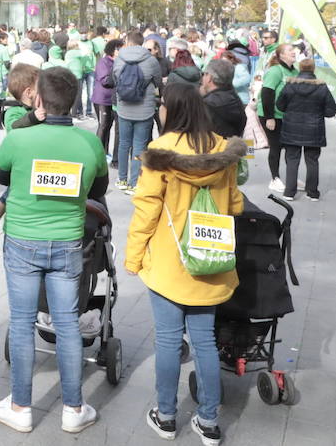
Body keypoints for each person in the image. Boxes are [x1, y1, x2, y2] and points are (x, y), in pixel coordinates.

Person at [0, 67, 107, 435]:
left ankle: (20, 406)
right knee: (68, 322)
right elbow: (98, 185)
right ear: (72, 100)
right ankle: (74, 408)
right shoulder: (90, 143)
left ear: (38, 99)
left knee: (22, 322)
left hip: (22, 239)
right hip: (69, 241)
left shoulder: (19, 139)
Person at [124, 82, 245, 446]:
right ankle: (209, 422)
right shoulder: (223, 149)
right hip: (211, 260)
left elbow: (146, 211)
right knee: (204, 341)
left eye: (162, 105)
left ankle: (166, 416)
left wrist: (132, 257)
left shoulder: (160, 152)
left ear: (172, 110)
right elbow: (236, 205)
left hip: (168, 262)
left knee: (167, 340)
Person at [276, 57, 336, 200]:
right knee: (312, 161)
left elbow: (280, 105)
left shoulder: (290, 85)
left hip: (291, 128)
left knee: (292, 160)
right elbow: (331, 110)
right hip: (314, 129)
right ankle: (313, 192)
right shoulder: (321, 87)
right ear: (313, 69)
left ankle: (289, 192)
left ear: (300, 68)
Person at [114, 30, 164, 193]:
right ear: (142, 42)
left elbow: (115, 79)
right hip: (145, 107)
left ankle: (122, 179)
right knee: (139, 145)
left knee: (123, 144)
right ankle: (134, 183)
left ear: (127, 41)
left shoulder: (119, 58)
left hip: (124, 107)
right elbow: (157, 82)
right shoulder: (151, 60)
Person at [258, 43, 299, 193]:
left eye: (293, 50)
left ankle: (291, 178)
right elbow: (267, 93)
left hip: (288, 116)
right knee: (276, 147)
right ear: (281, 55)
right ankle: (275, 178)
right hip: (271, 115)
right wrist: (269, 118)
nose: (293, 52)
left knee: (290, 147)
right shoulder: (275, 71)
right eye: (290, 50)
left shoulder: (295, 71)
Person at [201, 57, 247, 139]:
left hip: (213, 149)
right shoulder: (236, 99)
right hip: (232, 147)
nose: (202, 78)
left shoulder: (206, 103)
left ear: (209, 78)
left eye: (204, 74)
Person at [91, 38, 121, 159]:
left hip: (113, 100)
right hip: (102, 99)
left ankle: (106, 152)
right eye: (119, 49)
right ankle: (98, 152)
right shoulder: (103, 62)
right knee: (103, 126)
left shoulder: (119, 62)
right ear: (113, 50)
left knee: (109, 126)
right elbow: (105, 80)